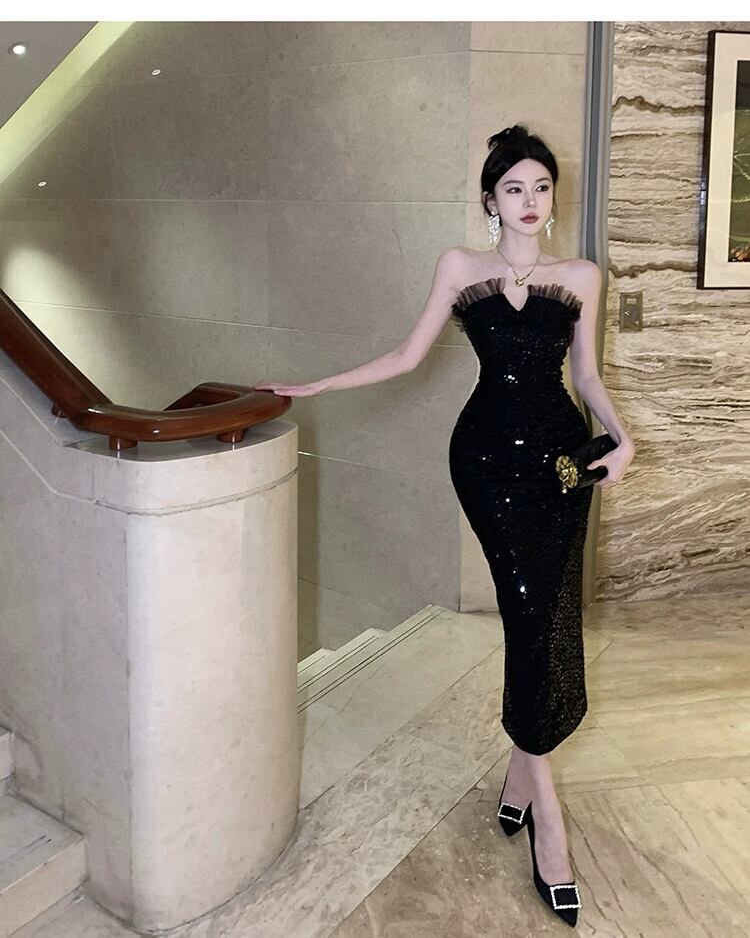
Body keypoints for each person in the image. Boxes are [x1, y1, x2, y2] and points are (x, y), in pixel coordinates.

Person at [254, 124, 635, 928]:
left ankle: (520, 776)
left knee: (542, 617)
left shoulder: (580, 276)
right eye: (514, 188)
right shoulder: (461, 268)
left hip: (562, 466)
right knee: (526, 610)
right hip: (486, 465)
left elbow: (588, 375)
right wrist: (316, 385)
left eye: (541, 187)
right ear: (490, 199)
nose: (530, 201)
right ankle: (549, 822)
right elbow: (405, 356)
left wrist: (622, 437)